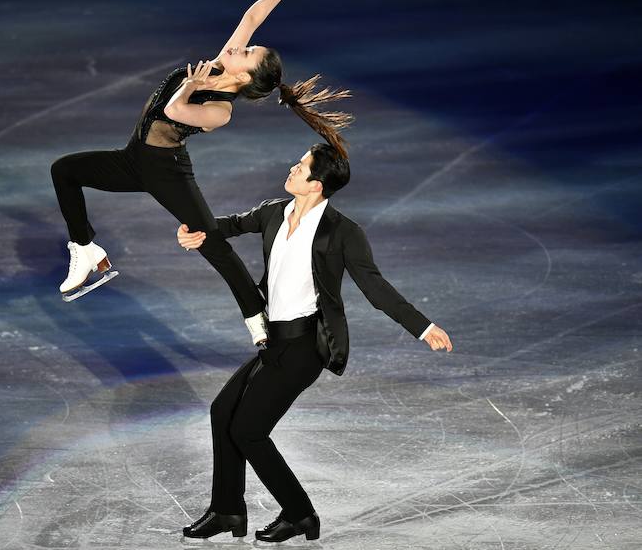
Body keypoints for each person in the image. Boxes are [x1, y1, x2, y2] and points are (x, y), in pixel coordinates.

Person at [50, 0, 351, 346]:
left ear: (244, 77)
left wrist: (190, 85)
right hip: (133, 159)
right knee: (65, 171)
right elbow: (252, 16)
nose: (239, 47)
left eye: (245, 53)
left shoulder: (220, 109)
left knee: (210, 243)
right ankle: (86, 248)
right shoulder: (222, 63)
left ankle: (257, 315)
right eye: (246, 47)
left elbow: (175, 110)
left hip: (166, 171)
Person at [176, 142, 453, 542]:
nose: (292, 168)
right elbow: (231, 224)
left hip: (306, 345)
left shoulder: (343, 233)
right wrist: (195, 229)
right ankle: (227, 510)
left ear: (317, 185)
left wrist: (422, 327)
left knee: (249, 430)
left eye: (301, 167)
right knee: (223, 412)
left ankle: (300, 515)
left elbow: (375, 287)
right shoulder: (274, 212)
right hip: (274, 341)